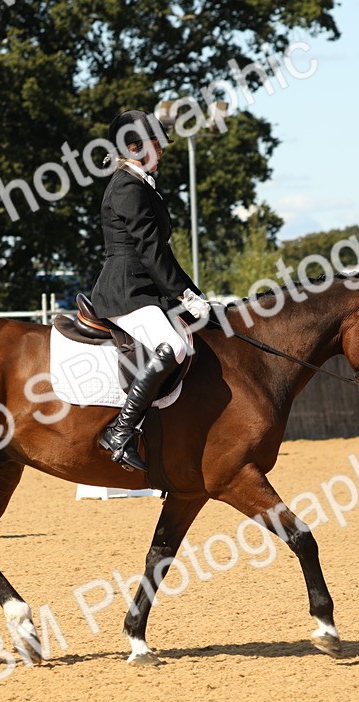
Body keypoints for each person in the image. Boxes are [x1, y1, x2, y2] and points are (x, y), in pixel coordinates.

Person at [90, 109, 211, 472]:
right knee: (173, 346)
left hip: (144, 288)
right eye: (156, 144)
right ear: (135, 146)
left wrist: (194, 293)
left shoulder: (141, 184)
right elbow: (149, 250)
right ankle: (121, 431)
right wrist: (184, 295)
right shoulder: (127, 187)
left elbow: (163, 253)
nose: (162, 150)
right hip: (126, 290)